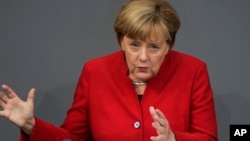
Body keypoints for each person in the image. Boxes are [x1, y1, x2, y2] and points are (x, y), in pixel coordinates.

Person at [0, 0, 218, 141]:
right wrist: (32, 126)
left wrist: (174, 139)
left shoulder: (193, 71)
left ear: (168, 46)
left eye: (153, 46)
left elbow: (208, 138)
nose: (143, 56)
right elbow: (73, 137)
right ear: (121, 41)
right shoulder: (95, 71)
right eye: (134, 45)